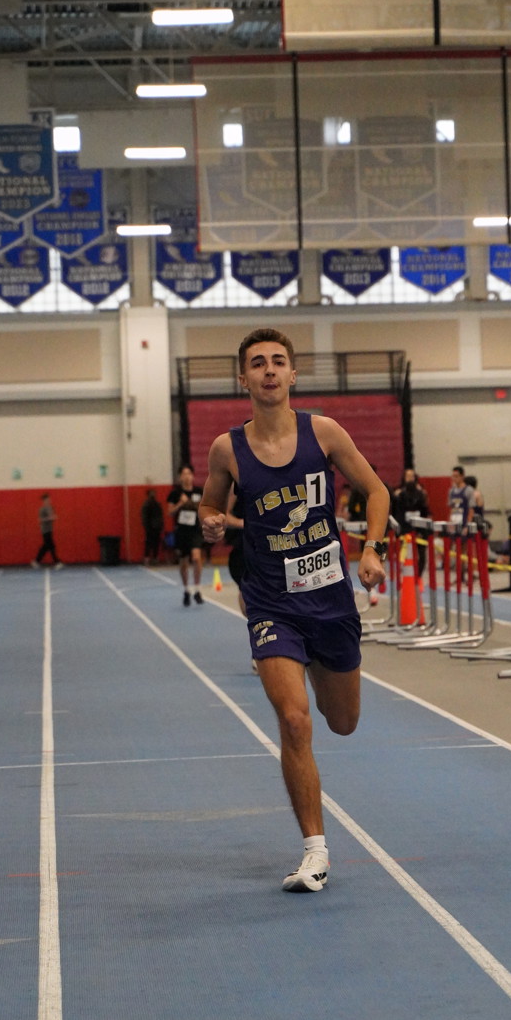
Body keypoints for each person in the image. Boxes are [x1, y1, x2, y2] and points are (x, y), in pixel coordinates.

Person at [199, 328, 389, 893]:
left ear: (293, 374)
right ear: (243, 378)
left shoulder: (323, 433)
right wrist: (210, 521)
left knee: (342, 722)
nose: (269, 370)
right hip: (270, 603)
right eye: (258, 363)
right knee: (294, 719)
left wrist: (372, 549)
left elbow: (377, 491)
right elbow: (209, 505)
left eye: (278, 361)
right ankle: (315, 851)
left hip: (329, 600)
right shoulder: (227, 449)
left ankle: (324, 674)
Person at [166, 465, 205, 606]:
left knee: (196, 558)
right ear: (180, 477)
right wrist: (180, 503)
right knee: (183, 562)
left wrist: (193, 504)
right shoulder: (175, 493)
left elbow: (204, 509)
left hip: (195, 530)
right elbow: (170, 512)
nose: (187, 476)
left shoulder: (199, 492)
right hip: (181, 531)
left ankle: (197, 589)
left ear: (193, 476)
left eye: (189, 473)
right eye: (184, 474)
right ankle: (186, 590)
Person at [392, 467, 431, 574]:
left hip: (420, 528)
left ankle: (419, 576)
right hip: (404, 528)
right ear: (404, 478)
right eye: (408, 476)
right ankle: (405, 574)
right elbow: (397, 513)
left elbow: (425, 511)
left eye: (412, 476)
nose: (410, 478)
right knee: (404, 553)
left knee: (421, 553)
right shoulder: (399, 493)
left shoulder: (421, 493)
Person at [32, 494, 62, 569]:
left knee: (46, 546)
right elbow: (40, 519)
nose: (49, 501)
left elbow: (53, 516)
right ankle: (57, 562)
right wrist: (49, 518)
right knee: (51, 546)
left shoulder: (51, 508)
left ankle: (36, 561)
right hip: (45, 530)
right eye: (47, 500)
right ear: (44, 501)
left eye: (49, 499)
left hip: (50, 529)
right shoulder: (42, 509)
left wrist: (53, 517)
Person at [140, 487, 164, 565]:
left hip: (157, 527)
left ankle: (155, 558)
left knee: (156, 543)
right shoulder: (146, 504)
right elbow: (144, 517)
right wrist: (146, 527)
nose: (153, 494)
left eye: (154, 493)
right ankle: (147, 558)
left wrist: (161, 525)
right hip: (149, 527)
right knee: (148, 543)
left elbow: (160, 516)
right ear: (148, 494)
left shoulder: (157, 504)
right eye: (151, 493)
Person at [448, 465, 472, 531]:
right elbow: (451, 508)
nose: (454, 478)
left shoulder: (468, 490)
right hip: (454, 522)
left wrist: (467, 526)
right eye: (453, 476)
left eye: (456, 476)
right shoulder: (451, 491)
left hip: (464, 523)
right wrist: (450, 522)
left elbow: (471, 510)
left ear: (462, 476)